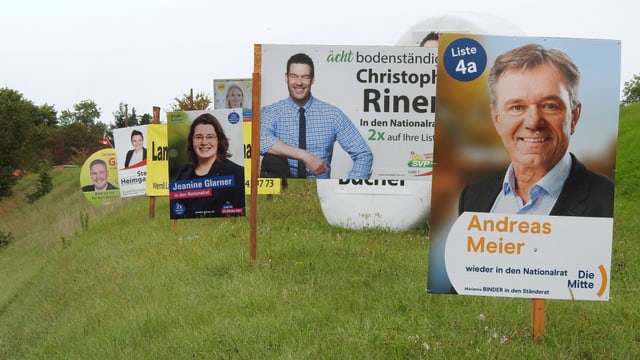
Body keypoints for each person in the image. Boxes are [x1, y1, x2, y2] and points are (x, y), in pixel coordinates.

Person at [458, 43, 614, 217]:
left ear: (574, 116)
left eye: (550, 106)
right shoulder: (472, 196)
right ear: (496, 118)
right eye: (517, 107)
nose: (533, 123)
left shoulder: (608, 200)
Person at [260, 52, 373, 179]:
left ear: (312, 79)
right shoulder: (270, 112)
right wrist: (304, 156)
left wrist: (349, 190)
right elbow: (260, 140)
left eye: (305, 77)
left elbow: (363, 153)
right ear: (286, 78)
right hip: (280, 192)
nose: (299, 82)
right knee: (271, 160)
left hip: (320, 192)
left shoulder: (332, 114)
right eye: (294, 76)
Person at [171, 113, 245, 218]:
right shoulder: (183, 173)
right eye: (198, 137)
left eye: (210, 137)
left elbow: (239, 213)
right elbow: (175, 210)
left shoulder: (237, 173)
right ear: (191, 141)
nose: (204, 142)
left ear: (218, 140)